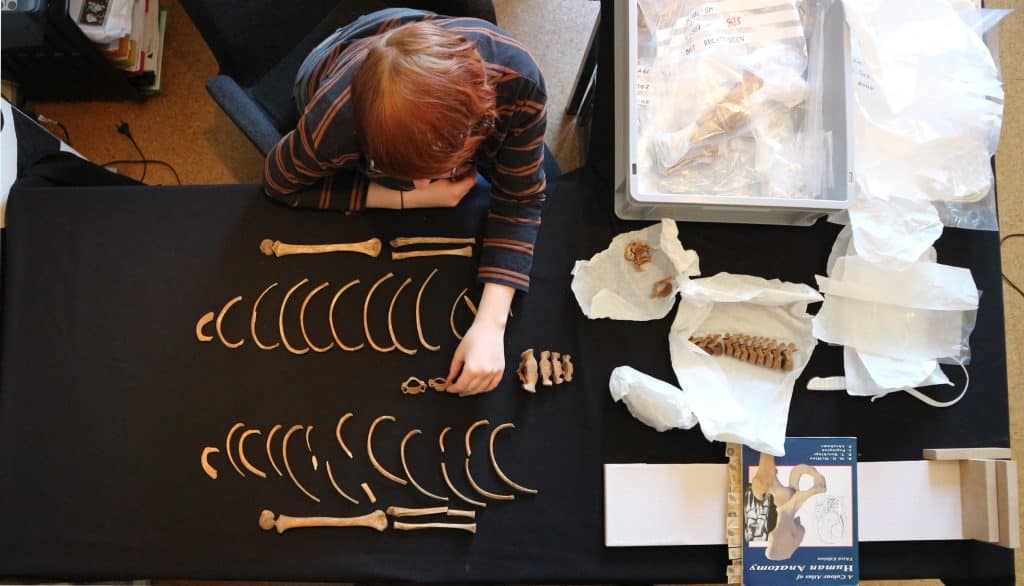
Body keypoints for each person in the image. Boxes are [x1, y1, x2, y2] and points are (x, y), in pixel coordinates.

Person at [263, 8, 547, 397]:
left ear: (478, 126)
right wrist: (405, 198)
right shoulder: (335, 121)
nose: (419, 184)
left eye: (434, 169)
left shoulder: (522, 83)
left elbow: (521, 198)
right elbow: (279, 182)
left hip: (418, 56)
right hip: (329, 65)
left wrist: (491, 325)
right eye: (402, 173)